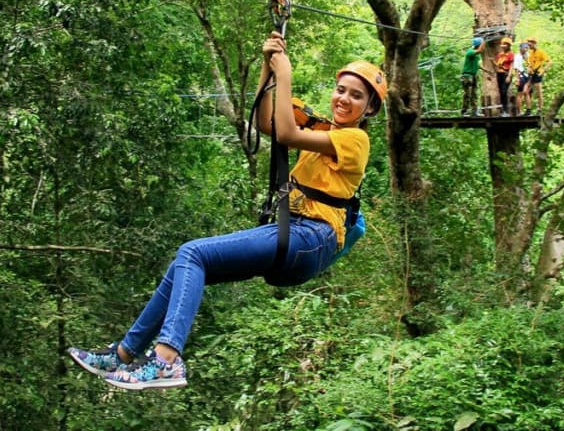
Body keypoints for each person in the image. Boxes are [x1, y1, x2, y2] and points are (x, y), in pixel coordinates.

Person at [67, 32, 386, 390]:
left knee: (193, 252)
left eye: (356, 96)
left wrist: (286, 74)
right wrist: (268, 67)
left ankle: (166, 360)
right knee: (184, 265)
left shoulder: (355, 140)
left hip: (311, 236)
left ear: (369, 108)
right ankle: (123, 354)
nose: (344, 99)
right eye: (341, 90)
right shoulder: (323, 128)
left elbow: (285, 133)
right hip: (296, 232)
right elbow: (267, 122)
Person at [525, 37, 551, 115]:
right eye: (528, 44)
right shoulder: (531, 54)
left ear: (534, 43)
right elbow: (530, 64)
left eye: (530, 44)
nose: (529, 46)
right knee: (526, 91)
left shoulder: (540, 52)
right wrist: (528, 69)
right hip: (532, 74)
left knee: (538, 92)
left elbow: (549, 62)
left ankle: (539, 110)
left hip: (538, 73)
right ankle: (528, 110)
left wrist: (543, 71)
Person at [460, 37, 484, 116]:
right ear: (479, 44)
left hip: (474, 75)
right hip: (467, 75)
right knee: (468, 94)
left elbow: (477, 65)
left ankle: (474, 111)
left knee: (474, 94)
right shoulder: (470, 52)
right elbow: (480, 50)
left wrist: (487, 70)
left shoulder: (476, 55)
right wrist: (484, 41)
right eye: (481, 44)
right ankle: (464, 111)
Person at [494, 39, 514, 116]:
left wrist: (509, 76)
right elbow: (498, 65)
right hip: (499, 74)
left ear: (508, 46)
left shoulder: (511, 54)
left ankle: (506, 111)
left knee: (504, 91)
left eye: (505, 45)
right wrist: (493, 62)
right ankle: (503, 111)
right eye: (502, 45)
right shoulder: (500, 54)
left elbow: (512, 66)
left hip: (506, 74)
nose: (503, 47)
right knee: (501, 93)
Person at [515, 42, 532, 116]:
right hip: (521, 75)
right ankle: (519, 111)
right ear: (520, 48)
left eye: (527, 48)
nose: (526, 49)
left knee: (527, 93)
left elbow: (531, 65)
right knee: (520, 93)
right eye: (524, 48)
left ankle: (528, 110)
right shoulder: (517, 56)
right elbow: (516, 68)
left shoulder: (528, 55)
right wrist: (517, 79)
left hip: (528, 75)